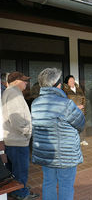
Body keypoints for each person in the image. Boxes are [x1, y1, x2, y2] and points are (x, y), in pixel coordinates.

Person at [31, 68, 85, 200]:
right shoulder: (66, 103)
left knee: (48, 183)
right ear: (58, 85)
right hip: (65, 153)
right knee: (65, 185)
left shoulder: (35, 103)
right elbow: (81, 123)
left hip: (46, 152)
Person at [2, 71, 39, 200]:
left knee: (14, 170)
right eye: (24, 81)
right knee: (21, 170)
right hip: (17, 141)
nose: (26, 83)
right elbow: (15, 118)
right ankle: (21, 194)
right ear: (16, 81)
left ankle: (18, 190)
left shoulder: (11, 92)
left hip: (13, 140)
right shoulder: (13, 93)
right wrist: (27, 131)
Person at [63, 75, 88, 145]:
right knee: (72, 126)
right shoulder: (65, 90)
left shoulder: (79, 88)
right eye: (70, 81)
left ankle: (82, 140)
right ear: (67, 82)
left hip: (81, 111)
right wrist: (76, 107)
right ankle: (73, 141)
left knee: (82, 125)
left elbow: (84, 98)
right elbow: (65, 102)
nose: (72, 82)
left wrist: (83, 105)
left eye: (73, 80)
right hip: (72, 111)